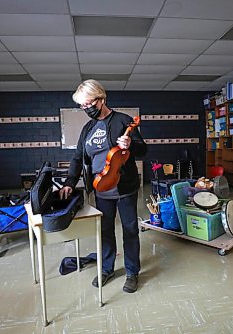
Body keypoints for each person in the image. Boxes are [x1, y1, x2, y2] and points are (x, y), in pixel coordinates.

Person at [59, 79, 147, 293]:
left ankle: (132, 272)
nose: (86, 109)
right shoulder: (87, 128)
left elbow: (143, 150)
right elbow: (78, 158)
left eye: (88, 104)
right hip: (101, 188)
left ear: (101, 99)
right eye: (82, 106)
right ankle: (107, 268)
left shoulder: (123, 121)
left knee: (130, 230)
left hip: (125, 187)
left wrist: (131, 145)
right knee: (105, 230)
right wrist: (70, 182)